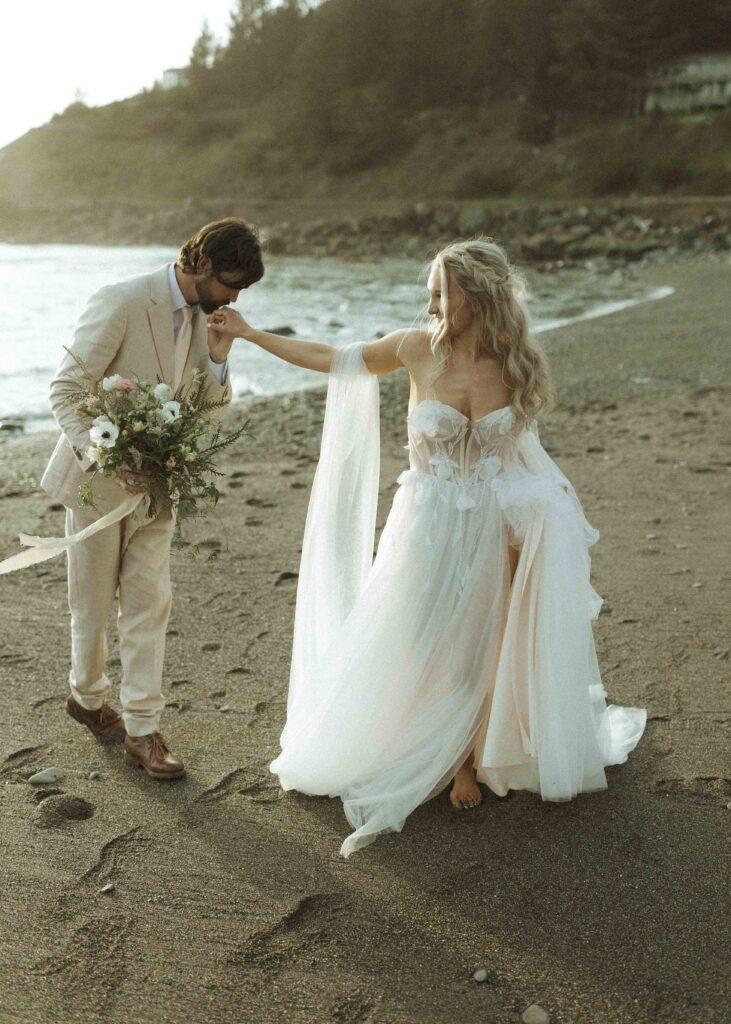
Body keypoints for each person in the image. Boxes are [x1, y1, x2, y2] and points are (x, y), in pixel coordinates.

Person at [209, 237, 646, 856]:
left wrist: (536, 525)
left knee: (481, 645)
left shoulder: (515, 362)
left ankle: (467, 757)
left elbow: (527, 459)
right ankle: (423, 740)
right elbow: (333, 357)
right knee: (419, 636)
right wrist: (252, 335)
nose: (431, 301)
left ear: (479, 294)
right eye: (431, 290)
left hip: (493, 524)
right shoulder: (416, 349)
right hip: (426, 522)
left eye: (443, 290)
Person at [41, 218, 264, 779]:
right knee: (90, 612)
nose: (236, 298)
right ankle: (85, 697)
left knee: (149, 606)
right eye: (233, 283)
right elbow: (66, 389)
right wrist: (104, 456)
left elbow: (210, 413)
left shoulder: (207, 320)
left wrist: (217, 356)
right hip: (97, 485)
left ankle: (142, 730)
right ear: (205, 264)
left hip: (160, 489)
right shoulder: (121, 300)